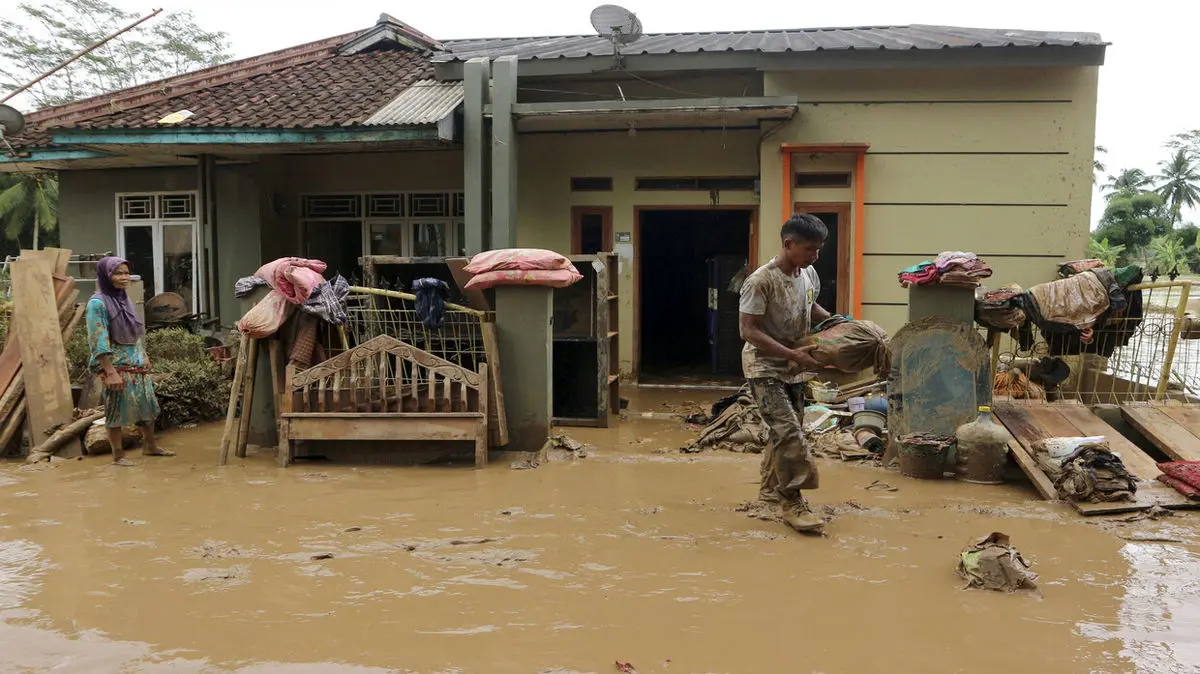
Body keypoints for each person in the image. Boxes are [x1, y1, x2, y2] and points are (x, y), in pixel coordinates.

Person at [738, 214, 831, 532]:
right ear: (788, 244)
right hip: (763, 367)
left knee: (785, 432)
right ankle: (792, 502)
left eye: (819, 249)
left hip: (794, 366)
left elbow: (810, 306)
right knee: (788, 432)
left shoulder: (809, 274)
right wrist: (792, 354)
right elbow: (748, 330)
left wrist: (835, 324)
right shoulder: (761, 281)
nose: (815, 256)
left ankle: (768, 493)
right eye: (810, 249)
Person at [86, 257, 174, 466]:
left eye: (126, 273)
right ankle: (118, 455)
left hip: (136, 363)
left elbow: (134, 331)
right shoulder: (97, 304)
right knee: (116, 410)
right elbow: (97, 339)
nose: (124, 278)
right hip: (117, 365)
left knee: (147, 406)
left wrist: (143, 355)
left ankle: (150, 446)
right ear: (106, 276)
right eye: (118, 273)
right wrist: (109, 370)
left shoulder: (124, 298)